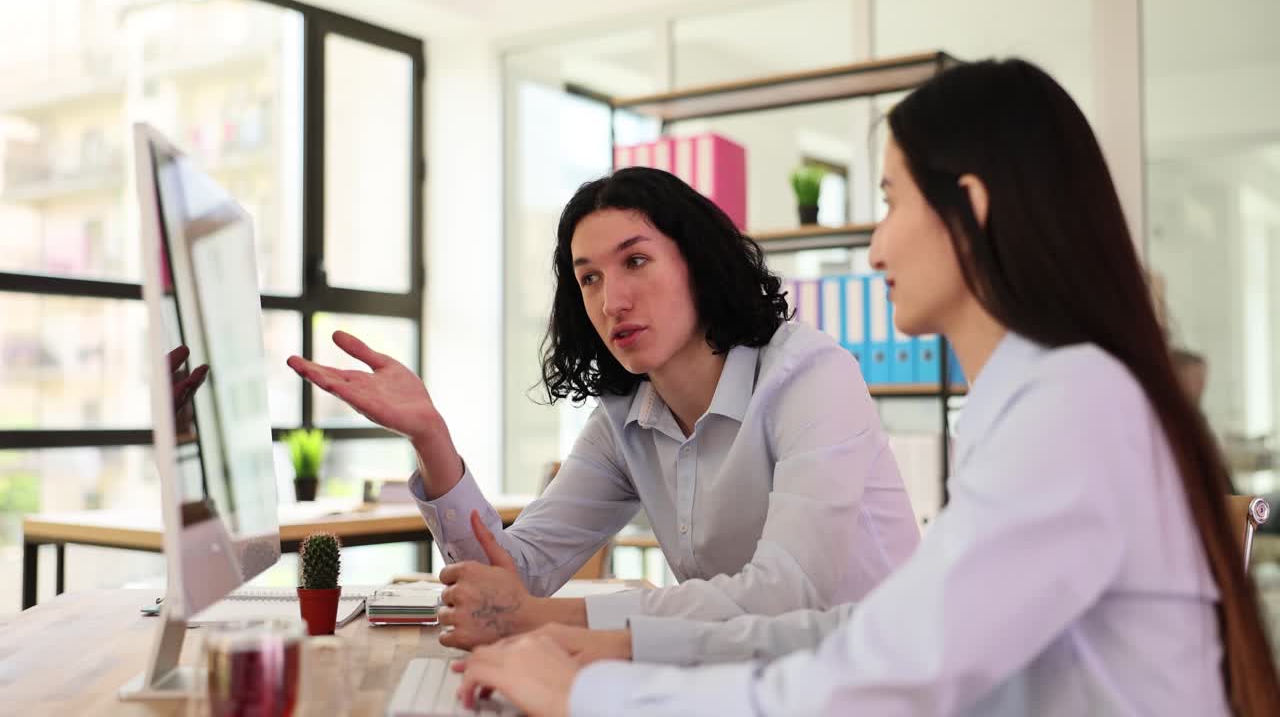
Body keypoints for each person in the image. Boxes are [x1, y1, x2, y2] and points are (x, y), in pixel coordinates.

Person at [451, 58, 1280, 716]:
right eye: (590, 278)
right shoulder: (1024, 403)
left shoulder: (1071, 407)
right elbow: (869, 634)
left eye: (889, 201)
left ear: (971, 208)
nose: (875, 248)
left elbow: (889, 677)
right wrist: (631, 652)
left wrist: (590, 690)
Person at [287, 167, 920, 649]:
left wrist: (551, 619)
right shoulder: (626, 418)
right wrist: (431, 437)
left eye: (636, 261)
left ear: (699, 265)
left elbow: (787, 596)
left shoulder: (810, 375)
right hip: (742, 677)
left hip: (875, 683)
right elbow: (515, 576)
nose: (611, 299)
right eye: (588, 277)